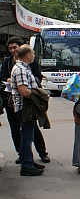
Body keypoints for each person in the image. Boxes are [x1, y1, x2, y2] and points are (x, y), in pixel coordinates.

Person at [0, 36, 50, 165]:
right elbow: (22, 89)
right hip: (18, 102)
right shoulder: (15, 65)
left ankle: (39, 154)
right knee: (21, 133)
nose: (12, 50)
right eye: (10, 48)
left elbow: (37, 76)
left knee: (31, 131)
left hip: (25, 103)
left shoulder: (28, 65)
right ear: (27, 54)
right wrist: (38, 96)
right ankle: (26, 160)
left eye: (14, 47)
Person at [10, 44, 45, 176]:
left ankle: (28, 160)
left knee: (28, 135)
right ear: (28, 55)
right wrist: (38, 96)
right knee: (26, 136)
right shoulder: (20, 69)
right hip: (25, 107)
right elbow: (24, 91)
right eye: (33, 54)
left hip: (27, 107)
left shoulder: (24, 68)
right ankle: (26, 165)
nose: (34, 56)